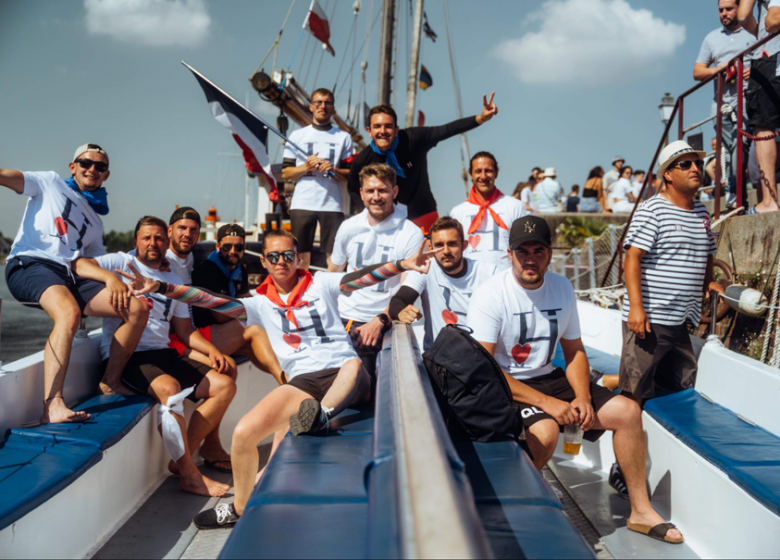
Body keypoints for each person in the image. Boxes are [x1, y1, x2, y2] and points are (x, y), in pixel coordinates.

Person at [121, 227, 439, 528]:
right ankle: (239, 507)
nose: (281, 261)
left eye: (288, 255)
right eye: (273, 256)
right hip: (303, 383)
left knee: (353, 367)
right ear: (264, 262)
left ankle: (319, 417)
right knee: (244, 432)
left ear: (298, 258)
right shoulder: (258, 304)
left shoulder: (321, 283)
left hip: (345, 373)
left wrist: (403, 264)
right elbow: (208, 299)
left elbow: (361, 278)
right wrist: (160, 287)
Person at [467, 215, 685, 545]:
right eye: (522, 251)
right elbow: (483, 367)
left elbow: (574, 351)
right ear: (509, 255)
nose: (530, 259)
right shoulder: (491, 294)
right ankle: (515, 507)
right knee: (545, 430)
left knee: (627, 412)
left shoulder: (561, 287)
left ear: (549, 254)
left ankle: (640, 511)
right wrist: (548, 404)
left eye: (538, 251)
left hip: (548, 376)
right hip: (506, 383)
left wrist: (582, 395)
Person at [73, 216, 237, 497]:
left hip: (163, 353)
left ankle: (182, 457)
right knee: (170, 391)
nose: (153, 243)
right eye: (146, 237)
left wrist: (211, 351)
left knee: (224, 385)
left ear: (166, 241)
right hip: (128, 355)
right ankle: (189, 475)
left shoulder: (172, 280)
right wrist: (110, 279)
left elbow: (184, 330)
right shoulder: (121, 262)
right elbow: (79, 264)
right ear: (135, 241)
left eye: (159, 238)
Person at [1, 144, 150, 423]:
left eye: (100, 166)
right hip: (30, 263)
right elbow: (5, 176)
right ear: (73, 167)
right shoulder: (49, 182)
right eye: (85, 163)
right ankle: (52, 405)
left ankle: (110, 382)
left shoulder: (96, 223)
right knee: (69, 313)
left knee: (137, 310)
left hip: (68, 274)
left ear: (106, 175)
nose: (92, 169)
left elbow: (88, 264)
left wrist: (114, 278)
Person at [621, 141, 723, 405]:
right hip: (650, 319)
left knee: (680, 385)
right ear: (667, 174)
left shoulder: (701, 212)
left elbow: (707, 251)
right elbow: (631, 258)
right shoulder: (652, 209)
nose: (695, 169)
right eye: (685, 164)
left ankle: (611, 381)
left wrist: (709, 281)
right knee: (634, 393)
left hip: (680, 320)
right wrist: (636, 309)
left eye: (698, 163)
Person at [347, 94, 499, 233]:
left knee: (433, 252)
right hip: (386, 219)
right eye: (377, 126)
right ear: (369, 131)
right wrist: (367, 212)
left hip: (423, 212)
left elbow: (447, 130)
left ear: (396, 129)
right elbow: (353, 188)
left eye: (388, 126)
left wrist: (480, 118)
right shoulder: (362, 160)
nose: (383, 131)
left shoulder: (414, 138)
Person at [330, 163, 425, 376]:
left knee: (372, 388)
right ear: (361, 193)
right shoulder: (348, 227)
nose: (376, 197)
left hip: (385, 324)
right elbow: (332, 274)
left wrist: (379, 321)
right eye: (370, 191)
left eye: (382, 190)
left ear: (394, 191)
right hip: (344, 320)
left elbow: (407, 288)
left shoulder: (411, 233)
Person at [188, 223, 284, 388]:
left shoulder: (240, 270)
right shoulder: (207, 272)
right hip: (201, 335)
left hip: (222, 333)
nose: (233, 251)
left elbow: (246, 300)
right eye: (227, 247)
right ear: (218, 247)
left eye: (238, 247)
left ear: (244, 248)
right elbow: (220, 315)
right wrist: (254, 309)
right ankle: (288, 382)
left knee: (254, 344)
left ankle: (285, 379)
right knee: (254, 329)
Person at [389, 217, 497, 350]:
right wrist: (401, 312)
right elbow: (398, 300)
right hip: (438, 358)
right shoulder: (425, 270)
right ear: (431, 247)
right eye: (439, 245)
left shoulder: (489, 273)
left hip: (479, 355)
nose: (446, 251)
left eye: (452, 244)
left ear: (464, 246)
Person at [281, 88, 353, 269]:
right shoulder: (297, 136)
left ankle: (330, 289)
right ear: (311, 107)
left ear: (333, 108)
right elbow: (286, 173)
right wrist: (306, 166)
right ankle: (302, 288)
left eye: (327, 103)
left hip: (332, 205)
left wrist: (333, 169)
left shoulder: (344, 137)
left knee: (334, 260)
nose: (323, 106)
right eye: (318, 102)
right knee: (301, 259)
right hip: (302, 204)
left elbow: (349, 174)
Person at [695, 0, 754, 210]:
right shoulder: (711, 38)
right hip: (721, 105)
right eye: (721, 10)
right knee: (729, 150)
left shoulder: (753, 33)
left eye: (729, 9)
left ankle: (736, 196)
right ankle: (735, 196)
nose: (724, 14)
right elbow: (697, 71)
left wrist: (753, 71)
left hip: (748, 100)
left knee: (741, 144)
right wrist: (718, 70)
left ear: (740, 8)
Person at [450, 152, 527, 269]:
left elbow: (523, 246)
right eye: (478, 171)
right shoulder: (457, 212)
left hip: (505, 277)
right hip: (470, 278)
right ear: (470, 174)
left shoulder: (515, 206)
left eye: (488, 171)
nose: (483, 176)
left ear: (496, 172)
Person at [740, 0, 780, 213]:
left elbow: (767, 20)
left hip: (771, 55)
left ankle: (769, 202)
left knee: (764, 126)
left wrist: (761, 32)